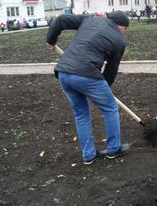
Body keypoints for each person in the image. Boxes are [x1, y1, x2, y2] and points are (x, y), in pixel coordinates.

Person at [46, 11, 131, 164]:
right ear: (121, 26)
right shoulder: (120, 40)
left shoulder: (90, 19)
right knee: (110, 108)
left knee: (81, 114)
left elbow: (61, 20)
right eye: (125, 29)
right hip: (87, 74)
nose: (124, 32)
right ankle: (114, 149)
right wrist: (105, 87)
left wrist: (50, 40)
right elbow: (111, 70)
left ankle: (89, 155)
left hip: (64, 72)